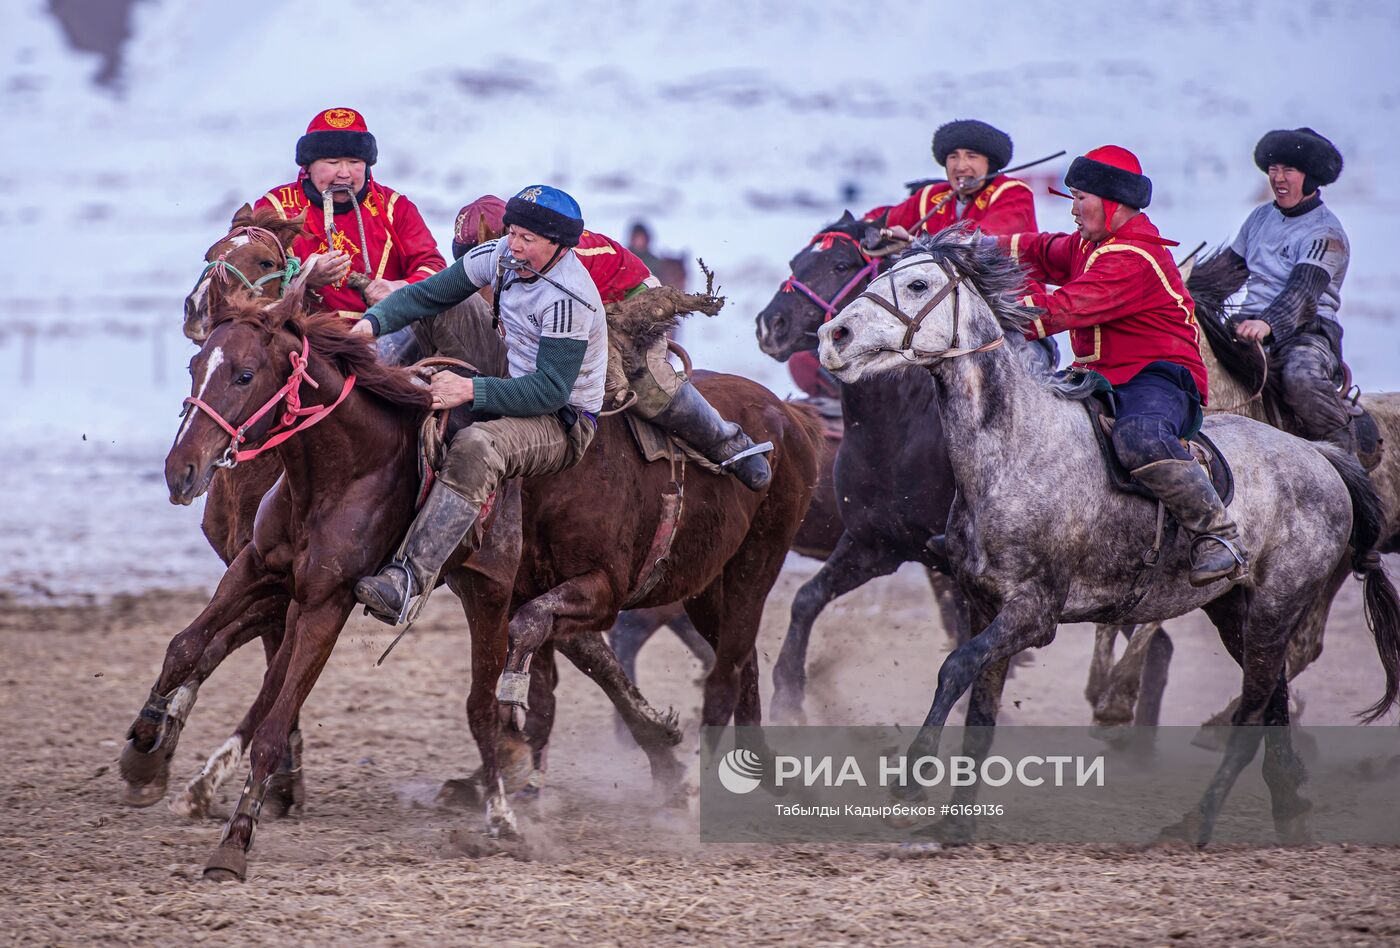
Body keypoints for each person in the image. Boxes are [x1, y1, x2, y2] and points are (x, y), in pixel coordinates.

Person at [1001, 146, 1246, 587]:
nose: (1073, 210)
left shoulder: (1132, 258)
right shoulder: (1087, 245)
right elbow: (1036, 250)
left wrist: (992, 315)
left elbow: (1063, 309)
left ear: (1110, 202)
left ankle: (1217, 534)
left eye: (1079, 198)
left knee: (1139, 437)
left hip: (1158, 376)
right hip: (1100, 378)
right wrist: (962, 249)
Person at [1213, 128, 1355, 452]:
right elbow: (1226, 272)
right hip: (1250, 325)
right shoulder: (1260, 218)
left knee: (1300, 377)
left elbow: (1303, 292)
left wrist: (1267, 324)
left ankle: (1345, 455)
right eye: (1273, 169)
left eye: (1289, 169)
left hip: (1308, 332)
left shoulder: (1326, 232)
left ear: (1311, 178)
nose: (1278, 177)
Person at [253, 108, 445, 317]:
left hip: (385, 335)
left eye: (355, 163)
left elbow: (433, 266)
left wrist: (400, 288)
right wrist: (303, 279)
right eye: (332, 163)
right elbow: (249, 279)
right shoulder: (276, 208)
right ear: (307, 167)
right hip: (300, 336)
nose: (344, 173)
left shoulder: (395, 207)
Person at [866, 119, 1037, 240]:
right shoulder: (932, 195)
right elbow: (885, 218)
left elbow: (983, 239)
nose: (961, 166)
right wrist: (864, 229)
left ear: (990, 164)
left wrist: (912, 243)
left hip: (1006, 290)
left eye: (972, 156)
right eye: (953, 157)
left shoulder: (1013, 192)